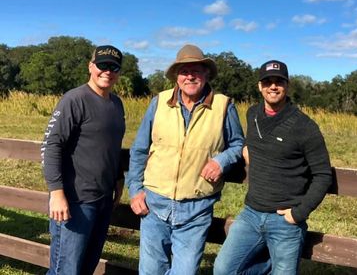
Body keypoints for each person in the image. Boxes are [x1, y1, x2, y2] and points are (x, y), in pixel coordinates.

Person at [126, 44, 244, 275]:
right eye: (184, 71)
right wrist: (134, 189)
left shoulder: (224, 106)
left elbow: (238, 144)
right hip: (154, 203)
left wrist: (221, 161)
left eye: (196, 70)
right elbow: (139, 149)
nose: (190, 76)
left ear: (206, 74)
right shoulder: (159, 102)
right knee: (151, 271)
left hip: (196, 207)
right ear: (176, 77)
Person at [214, 60, 332, 275]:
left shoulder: (304, 126)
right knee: (223, 270)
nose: (273, 86)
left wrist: (298, 213)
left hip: (285, 220)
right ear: (260, 86)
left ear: (287, 86)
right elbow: (252, 143)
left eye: (279, 81)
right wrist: (247, 152)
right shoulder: (253, 114)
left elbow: (323, 174)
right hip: (251, 214)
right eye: (267, 82)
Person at [41, 45, 126, 275]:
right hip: (75, 201)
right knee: (66, 269)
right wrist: (57, 193)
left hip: (102, 199)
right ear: (91, 66)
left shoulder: (117, 104)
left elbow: (112, 146)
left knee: (87, 266)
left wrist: (118, 179)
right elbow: (51, 146)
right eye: (102, 65)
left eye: (114, 67)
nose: (107, 71)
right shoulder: (74, 99)